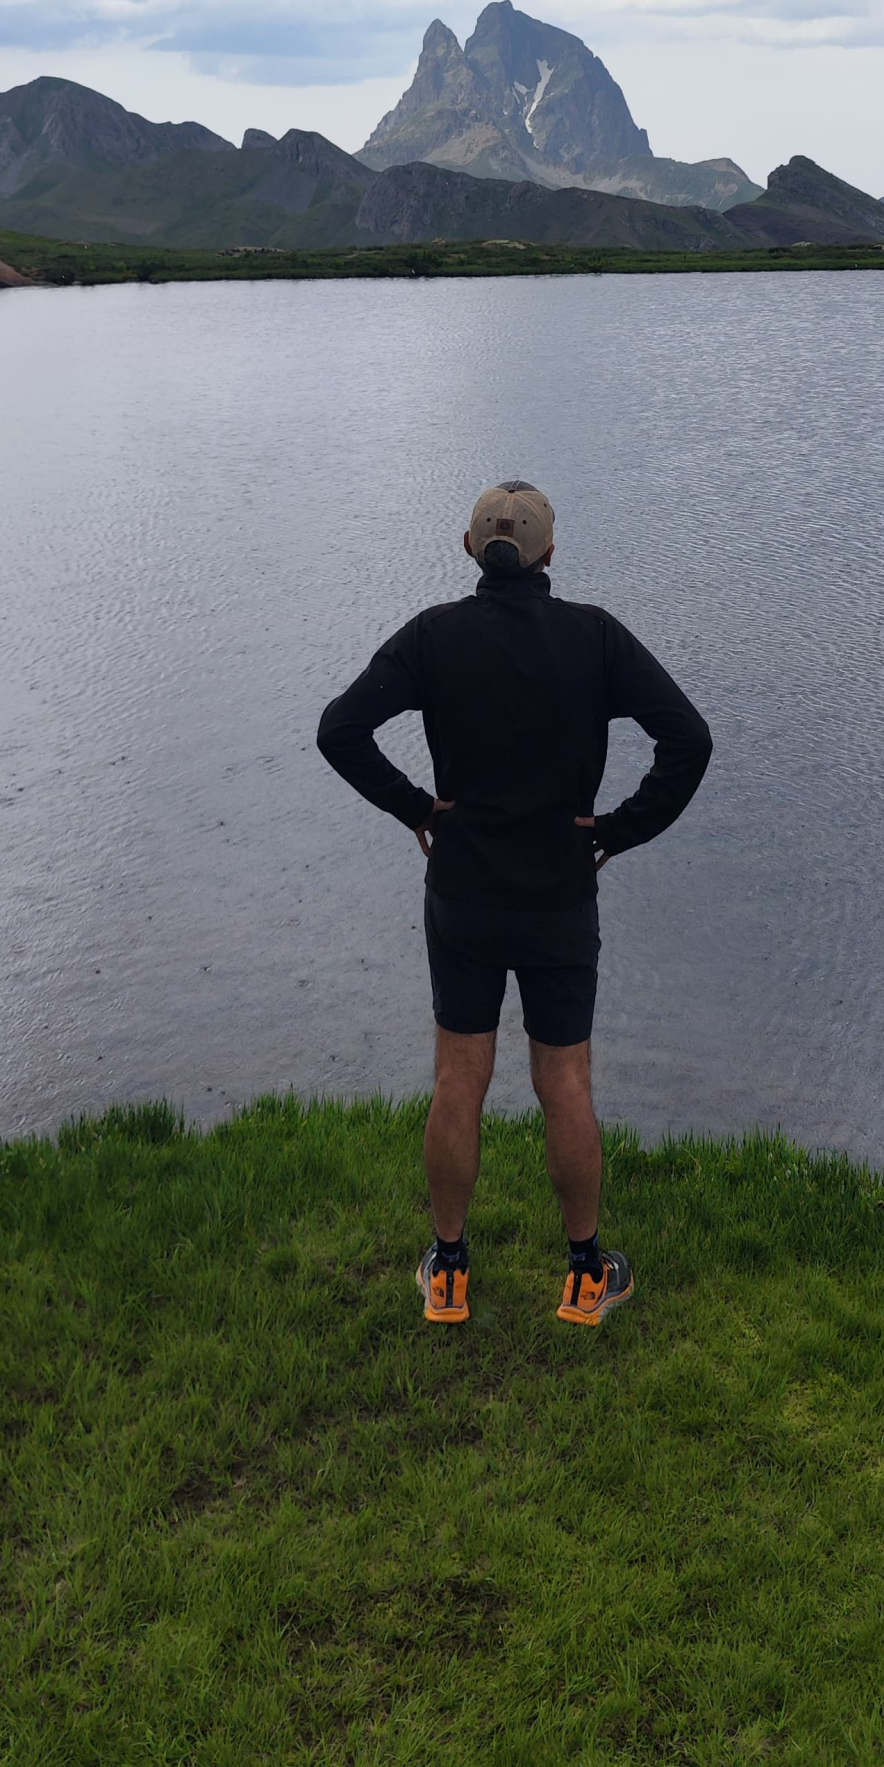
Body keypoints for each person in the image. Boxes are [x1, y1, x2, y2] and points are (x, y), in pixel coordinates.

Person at [316, 479, 712, 1328]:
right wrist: (616, 831)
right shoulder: (596, 638)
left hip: (462, 891)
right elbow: (690, 739)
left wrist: (419, 810)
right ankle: (583, 1275)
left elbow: (339, 730)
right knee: (564, 1080)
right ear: (549, 555)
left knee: (459, 1075)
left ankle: (450, 1271)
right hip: (559, 892)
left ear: (469, 550)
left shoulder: (433, 637)